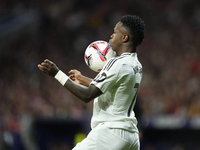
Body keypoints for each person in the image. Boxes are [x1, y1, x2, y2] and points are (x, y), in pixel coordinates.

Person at [38, 14, 145, 150]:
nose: (111, 36)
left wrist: (57, 74)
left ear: (124, 37)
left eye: (115, 32)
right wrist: (83, 79)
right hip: (131, 135)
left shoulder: (117, 63)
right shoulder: (135, 64)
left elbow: (87, 95)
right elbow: (114, 88)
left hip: (111, 132)